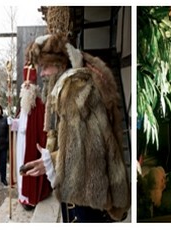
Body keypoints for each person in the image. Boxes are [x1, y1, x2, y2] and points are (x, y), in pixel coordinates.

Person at [21, 34, 130, 222]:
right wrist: (51, 161)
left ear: (61, 65)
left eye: (45, 67)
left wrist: (52, 162)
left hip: (87, 198)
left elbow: (89, 152)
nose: (42, 74)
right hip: (85, 195)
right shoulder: (68, 87)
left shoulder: (75, 90)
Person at [14, 63, 52, 210]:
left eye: (30, 84)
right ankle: (22, 194)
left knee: (30, 168)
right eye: (25, 84)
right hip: (21, 143)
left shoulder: (39, 105)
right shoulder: (24, 104)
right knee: (20, 166)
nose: (27, 86)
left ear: (35, 86)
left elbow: (42, 130)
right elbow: (21, 122)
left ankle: (30, 197)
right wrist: (14, 123)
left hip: (31, 144)